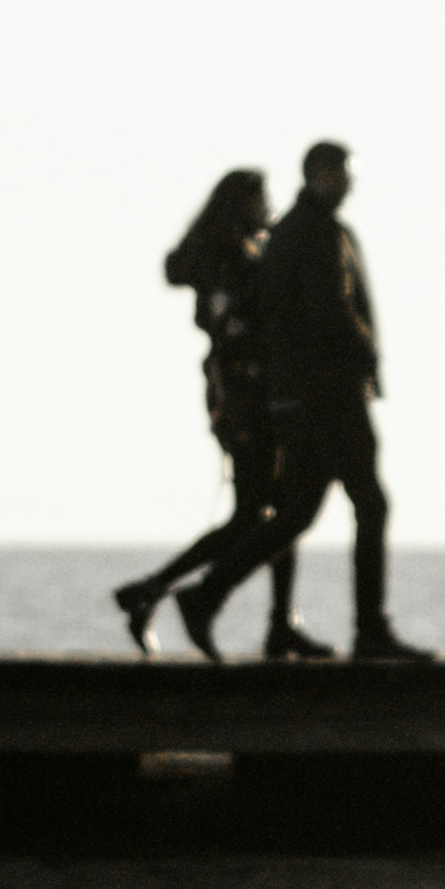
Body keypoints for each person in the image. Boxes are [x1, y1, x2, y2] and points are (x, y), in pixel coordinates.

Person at [256, 138, 429, 664]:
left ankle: (244, 609)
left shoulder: (308, 231)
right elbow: (328, 309)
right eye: (341, 174)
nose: (349, 183)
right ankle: (369, 628)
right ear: (319, 174)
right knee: (363, 506)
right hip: (331, 394)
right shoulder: (314, 233)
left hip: (318, 393)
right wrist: (363, 349)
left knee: (297, 512)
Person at [112, 170, 291, 659]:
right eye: (263, 201)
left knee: (272, 508)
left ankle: (277, 622)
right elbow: (239, 327)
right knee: (263, 512)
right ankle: (156, 590)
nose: (269, 208)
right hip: (244, 397)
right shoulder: (233, 260)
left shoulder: (229, 256)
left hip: (240, 393)